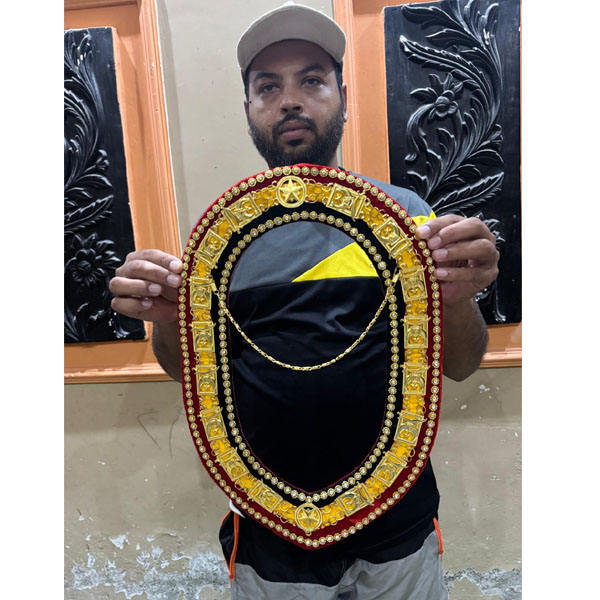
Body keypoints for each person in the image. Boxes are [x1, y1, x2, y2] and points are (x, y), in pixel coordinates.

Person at [109, 3, 499, 598]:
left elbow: (461, 364)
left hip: (397, 524)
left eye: (311, 81)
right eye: (268, 87)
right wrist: (167, 321)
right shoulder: (219, 241)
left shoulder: (407, 219)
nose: (289, 101)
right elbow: (187, 372)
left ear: (343, 96)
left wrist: (458, 296)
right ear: (248, 110)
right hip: (270, 533)